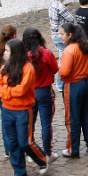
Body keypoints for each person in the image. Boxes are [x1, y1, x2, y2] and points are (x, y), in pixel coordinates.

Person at [0, 38, 48, 176]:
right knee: (12, 142)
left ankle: (42, 159)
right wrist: (8, 92)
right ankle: (19, 171)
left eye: (7, 50)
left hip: (23, 110)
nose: (4, 53)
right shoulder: (4, 67)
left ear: (15, 52)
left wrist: (6, 92)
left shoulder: (27, 68)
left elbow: (22, 90)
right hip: (7, 110)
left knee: (25, 141)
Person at [58, 23, 88, 157]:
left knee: (73, 117)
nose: (60, 36)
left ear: (70, 35)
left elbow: (64, 72)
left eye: (62, 34)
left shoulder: (69, 50)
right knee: (86, 114)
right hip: (87, 82)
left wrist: (59, 67)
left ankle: (73, 149)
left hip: (74, 85)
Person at [22, 27, 59, 160]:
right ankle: (47, 152)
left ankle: (32, 151)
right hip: (44, 91)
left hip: (29, 92)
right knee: (46, 123)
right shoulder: (46, 53)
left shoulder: (22, 56)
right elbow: (55, 69)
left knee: (30, 122)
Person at [48, 0, 74, 91]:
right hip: (61, 36)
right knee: (63, 60)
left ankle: (61, 82)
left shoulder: (52, 4)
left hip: (54, 35)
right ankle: (60, 83)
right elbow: (71, 19)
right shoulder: (60, 7)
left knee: (62, 58)